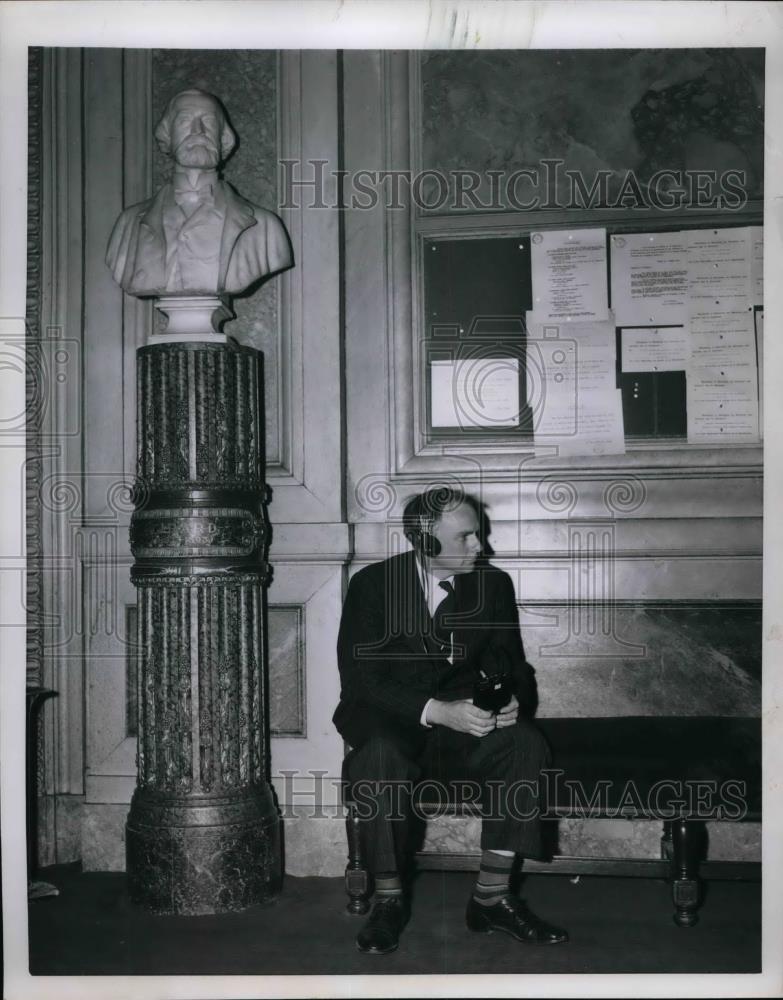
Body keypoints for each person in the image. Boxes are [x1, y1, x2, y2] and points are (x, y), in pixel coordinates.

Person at [334, 487, 568, 955]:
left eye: (478, 535)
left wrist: (511, 701)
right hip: (394, 720)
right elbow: (362, 679)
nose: (480, 547)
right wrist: (436, 711)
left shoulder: (493, 586)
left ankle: (492, 899)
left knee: (525, 744)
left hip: (469, 723)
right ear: (426, 541)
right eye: (466, 537)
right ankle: (389, 901)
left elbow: (515, 666)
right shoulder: (374, 585)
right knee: (378, 761)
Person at [106, 88, 292, 297]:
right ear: (167, 136)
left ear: (223, 138)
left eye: (209, 121)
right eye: (184, 120)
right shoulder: (128, 224)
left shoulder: (265, 227)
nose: (198, 130)